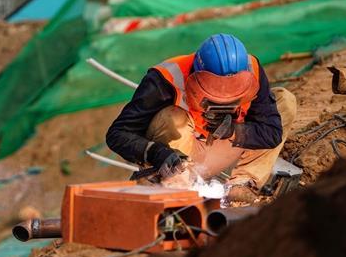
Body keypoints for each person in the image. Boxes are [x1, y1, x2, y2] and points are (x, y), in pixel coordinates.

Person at [105, 33, 296, 202]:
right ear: (195, 75)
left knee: (284, 100)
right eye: (215, 92)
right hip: (179, 159)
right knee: (172, 117)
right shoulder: (165, 79)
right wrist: (156, 153)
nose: (224, 99)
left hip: (226, 150)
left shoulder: (252, 69)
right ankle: (176, 187)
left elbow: (272, 133)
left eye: (233, 93)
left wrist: (233, 131)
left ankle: (242, 185)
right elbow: (117, 134)